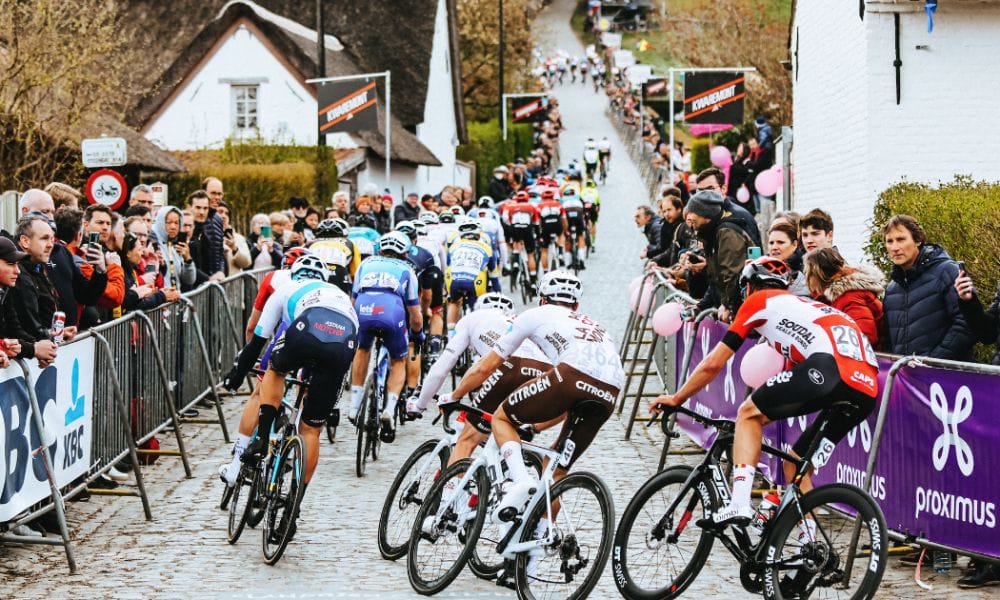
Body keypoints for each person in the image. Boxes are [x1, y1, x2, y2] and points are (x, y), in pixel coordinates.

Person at [650, 257, 878, 528]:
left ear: (748, 287)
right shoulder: (808, 307)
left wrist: (677, 398)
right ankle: (811, 546)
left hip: (829, 369)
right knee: (795, 463)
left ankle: (740, 503)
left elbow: (713, 363)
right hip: (866, 388)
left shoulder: (760, 301)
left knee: (748, 414)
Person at [447, 271, 624, 518]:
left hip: (572, 377)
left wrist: (454, 396)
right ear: (576, 305)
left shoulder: (534, 314)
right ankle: (539, 543)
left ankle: (521, 481)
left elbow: (486, 366)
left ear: (542, 298)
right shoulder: (594, 325)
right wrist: (536, 427)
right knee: (554, 471)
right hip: (610, 392)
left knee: (501, 418)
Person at [222, 255, 357, 540]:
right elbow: (343, 369)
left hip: (306, 328)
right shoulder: (340, 295)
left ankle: (261, 438)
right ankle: (292, 509)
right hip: (344, 336)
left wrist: (235, 378)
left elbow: (256, 342)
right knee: (311, 429)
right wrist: (331, 406)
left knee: (275, 369)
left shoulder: (286, 288)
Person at [407, 293, 551, 465]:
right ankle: (507, 480)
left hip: (511, 369)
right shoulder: (516, 322)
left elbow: (441, 369)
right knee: (503, 427)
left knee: (466, 440)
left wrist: (420, 405)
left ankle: (449, 491)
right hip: (545, 371)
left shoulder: (471, 319)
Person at [348, 231, 423, 442]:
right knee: (398, 360)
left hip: (363, 307)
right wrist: (418, 334)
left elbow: (352, 302)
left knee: (363, 350)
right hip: (391, 311)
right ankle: (389, 408)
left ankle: (354, 406)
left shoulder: (365, 264)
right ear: (405, 253)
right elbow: (415, 314)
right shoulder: (407, 270)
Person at [882, 215, 974, 360]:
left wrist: (932, 362)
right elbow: (888, 340)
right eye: (890, 241)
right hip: (907, 379)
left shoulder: (947, 271)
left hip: (947, 377)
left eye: (901, 239)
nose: (895, 247)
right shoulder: (892, 289)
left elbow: (967, 324)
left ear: (918, 240)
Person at [8, 217, 74, 367]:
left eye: (52, 239)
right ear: (25, 241)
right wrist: (37, 348)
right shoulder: (20, 275)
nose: (51, 245)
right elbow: (26, 324)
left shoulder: (38, 268)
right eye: (44, 239)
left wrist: (55, 335)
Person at [686, 190, 753, 321]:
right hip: (729, 310)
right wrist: (701, 306)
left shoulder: (727, 233)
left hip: (740, 314)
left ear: (706, 216)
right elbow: (716, 280)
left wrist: (729, 306)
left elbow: (733, 274)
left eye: (693, 212)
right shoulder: (711, 233)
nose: (689, 217)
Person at [805, 248, 885, 348]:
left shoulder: (849, 297)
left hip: (868, 359)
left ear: (817, 275)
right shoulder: (833, 297)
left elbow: (865, 338)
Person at [0, 236, 53, 366]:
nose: (17, 271)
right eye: (11, 264)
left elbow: (15, 330)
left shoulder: (5, 290)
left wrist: (42, 347)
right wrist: (33, 349)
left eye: (17, 264)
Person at [444, 221, 497, 333]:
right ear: (478, 235)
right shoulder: (486, 247)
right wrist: (497, 292)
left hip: (454, 281)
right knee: (478, 309)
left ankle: (451, 336)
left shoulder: (454, 246)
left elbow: (448, 265)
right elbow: (493, 274)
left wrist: (444, 288)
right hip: (475, 283)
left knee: (453, 302)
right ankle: (476, 335)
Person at [306, 218, 360, 295]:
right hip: (338, 272)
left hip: (314, 271)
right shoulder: (349, 243)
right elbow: (356, 273)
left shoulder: (309, 243)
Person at [151, 206, 197, 292]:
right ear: (160, 222)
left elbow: (189, 280)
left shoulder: (175, 247)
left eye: (176, 223)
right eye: (168, 222)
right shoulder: (153, 245)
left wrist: (188, 260)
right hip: (161, 301)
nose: (173, 227)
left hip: (176, 301)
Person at [186, 191, 225, 281]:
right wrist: (208, 278)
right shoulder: (185, 230)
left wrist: (221, 272)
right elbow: (184, 263)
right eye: (198, 208)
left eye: (205, 208)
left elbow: (219, 254)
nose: (202, 212)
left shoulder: (204, 232)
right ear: (189, 207)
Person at [767, 221, 809, 297]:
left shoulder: (807, 272)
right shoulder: (760, 270)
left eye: (780, 242)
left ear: (794, 244)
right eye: (771, 243)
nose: (774, 247)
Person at [216, 201, 251, 275]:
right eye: (220, 212)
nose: (223, 216)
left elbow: (247, 263)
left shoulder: (239, 238)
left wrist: (234, 249)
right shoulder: (205, 236)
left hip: (234, 284)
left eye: (227, 213)